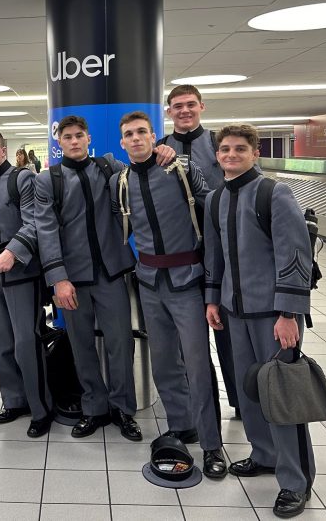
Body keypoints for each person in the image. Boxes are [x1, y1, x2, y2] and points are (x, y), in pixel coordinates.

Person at [204, 124, 315, 518]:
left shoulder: (273, 193)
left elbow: (294, 254)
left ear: (255, 153)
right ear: (217, 155)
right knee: (250, 391)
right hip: (234, 313)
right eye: (224, 149)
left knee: (282, 397)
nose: (230, 155)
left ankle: (295, 481)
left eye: (239, 149)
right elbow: (214, 256)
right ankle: (264, 454)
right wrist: (212, 299)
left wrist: (289, 313)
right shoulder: (216, 198)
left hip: (272, 315)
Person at [112, 111, 226, 478]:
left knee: (196, 364)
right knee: (163, 363)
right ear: (122, 142)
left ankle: (212, 444)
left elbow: (210, 201)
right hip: (148, 281)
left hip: (187, 279)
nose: (135, 138)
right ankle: (182, 423)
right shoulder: (122, 180)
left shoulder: (178, 169)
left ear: (154, 138)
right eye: (128, 134)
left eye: (142, 132)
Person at [35, 115, 141, 441]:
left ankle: (123, 409)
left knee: (120, 342)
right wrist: (58, 279)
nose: (74, 141)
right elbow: (46, 231)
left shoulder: (109, 169)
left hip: (111, 273)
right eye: (67, 137)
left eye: (79, 135)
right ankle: (94, 407)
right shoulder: (48, 180)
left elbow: (141, 175)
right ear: (59, 142)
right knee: (81, 345)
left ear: (88, 137)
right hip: (72, 279)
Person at [155, 83, 239, 421]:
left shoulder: (221, 144)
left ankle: (241, 401)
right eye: (177, 106)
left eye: (190, 104)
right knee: (184, 341)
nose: (184, 111)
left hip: (222, 250)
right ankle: (189, 406)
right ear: (169, 112)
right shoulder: (160, 148)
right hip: (181, 253)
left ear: (202, 106)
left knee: (228, 333)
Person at [0, 129, 53, 438]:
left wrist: (13, 250)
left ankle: (40, 408)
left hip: (22, 269)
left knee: (25, 342)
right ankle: (14, 400)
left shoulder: (22, 179)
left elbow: (35, 222)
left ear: (3, 149)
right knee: (2, 342)